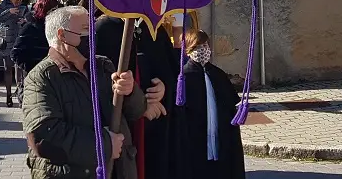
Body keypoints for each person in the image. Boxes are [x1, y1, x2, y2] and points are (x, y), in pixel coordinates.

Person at [22, 6, 147, 179]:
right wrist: (104, 145)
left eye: (92, 27)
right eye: (85, 30)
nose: (92, 35)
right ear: (62, 35)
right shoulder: (41, 78)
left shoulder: (103, 66)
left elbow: (136, 112)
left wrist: (131, 91)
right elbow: (44, 137)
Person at [95, 15, 175, 179]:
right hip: (122, 122)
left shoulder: (154, 29)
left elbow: (171, 70)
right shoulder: (103, 28)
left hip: (155, 121)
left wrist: (164, 87)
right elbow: (100, 80)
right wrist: (140, 106)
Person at [174, 29, 245, 179]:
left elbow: (229, 106)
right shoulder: (184, 77)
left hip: (220, 137)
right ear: (188, 50)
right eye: (198, 46)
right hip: (196, 142)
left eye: (205, 45)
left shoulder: (217, 74)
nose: (204, 50)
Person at [11, 0, 60, 106]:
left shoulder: (55, 28)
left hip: (52, 80)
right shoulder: (30, 28)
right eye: (53, 10)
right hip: (33, 81)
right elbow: (15, 53)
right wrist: (32, 69)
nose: (56, 13)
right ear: (45, 10)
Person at [0, 0, 28, 107]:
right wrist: (9, 12)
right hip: (7, 39)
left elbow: (29, 18)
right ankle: (8, 95)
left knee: (20, 68)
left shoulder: (23, 4)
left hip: (19, 38)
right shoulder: (3, 4)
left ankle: (20, 95)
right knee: (8, 68)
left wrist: (24, 20)